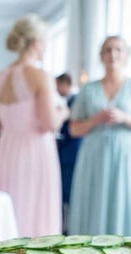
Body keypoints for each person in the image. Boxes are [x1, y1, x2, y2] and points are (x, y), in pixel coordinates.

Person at [0, 14, 67, 237]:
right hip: (35, 150)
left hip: (6, 150)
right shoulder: (40, 76)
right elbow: (49, 123)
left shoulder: (0, 76)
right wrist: (62, 112)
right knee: (36, 214)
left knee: (9, 214)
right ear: (37, 43)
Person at [66, 37, 131, 237]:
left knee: (126, 200)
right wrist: (94, 120)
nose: (112, 54)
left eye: (118, 50)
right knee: (94, 199)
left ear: (126, 55)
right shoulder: (88, 89)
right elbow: (73, 129)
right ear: (101, 55)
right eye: (107, 50)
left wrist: (125, 117)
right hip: (94, 154)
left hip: (127, 155)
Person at [54, 72, 82, 228]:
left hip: (72, 151)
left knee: (70, 191)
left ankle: (70, 225)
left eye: (58, 85)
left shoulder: (76, 100)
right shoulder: (59, 100)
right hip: (60, 151)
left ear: (65, 84)